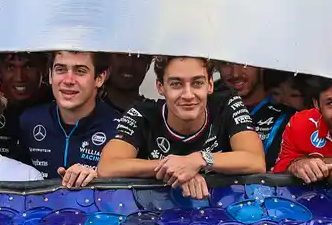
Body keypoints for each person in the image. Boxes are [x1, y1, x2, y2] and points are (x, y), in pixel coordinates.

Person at [99, 56, 266, 199]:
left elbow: (255, 160)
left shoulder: (227, 103)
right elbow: (108, 166)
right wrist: (176, 169)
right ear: (160, 87)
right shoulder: (142, 113)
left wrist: (199, 160)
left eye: (197, 83)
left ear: (210, 85)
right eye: (176, 84)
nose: (188, 95)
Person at [19, 51, 121, 188]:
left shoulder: (119, 128)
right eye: (60, 70)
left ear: (100, 78)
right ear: (49, 75)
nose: (68, 80)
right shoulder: (29, 121)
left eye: (80, 71)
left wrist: (99, 179)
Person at [216, 61, 295, 165]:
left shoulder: (289, 112)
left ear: (261, 64)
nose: (236, 74)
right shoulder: (206, 108)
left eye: (244, 63)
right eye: (225, 63)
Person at [0, 51, 50, 159]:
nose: (19, 77)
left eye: (28, 66)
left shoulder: (60, 105)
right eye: (10, 67)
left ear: (45, 68)